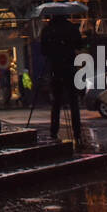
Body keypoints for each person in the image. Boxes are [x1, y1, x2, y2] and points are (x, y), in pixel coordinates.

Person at [40, 11, 84, 143]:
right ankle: (77, 132)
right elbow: (79, 45)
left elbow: (44, 51)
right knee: (73, 101)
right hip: (70, 67)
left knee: (56, 102)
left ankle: (54, 131)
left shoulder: (47, 30)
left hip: (55, 68)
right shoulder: (71, 28)